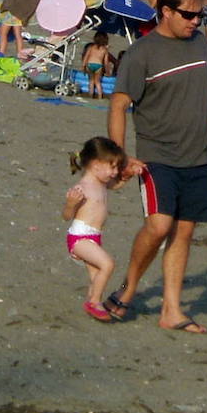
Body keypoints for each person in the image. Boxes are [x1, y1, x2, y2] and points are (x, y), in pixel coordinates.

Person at [106, 0, 207, 333]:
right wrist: (120, 158)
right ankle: (129, 288)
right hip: (157, 155)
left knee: (183, 233)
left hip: (198, 155)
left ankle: (171, 309)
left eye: (199, 16)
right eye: (188, 15)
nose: (195, 22)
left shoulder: (200, 46)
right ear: (165, 12)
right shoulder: (142, 54)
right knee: (159, 225)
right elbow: (119, 105)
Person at [62, 136, 127, 322]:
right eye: (112, 166)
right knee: (108, 264)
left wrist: (130, 174)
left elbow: (117, 184)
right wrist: (70, 203)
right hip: (79, 237)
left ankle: (92, 302)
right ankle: (95, 302)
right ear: (97, 164)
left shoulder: (101, 182)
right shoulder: (82, 187)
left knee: (97, 275)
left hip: (94, 237)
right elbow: (66, 216)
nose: (115, 172)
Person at [80, 31, 117, 97]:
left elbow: (86, 57)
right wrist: (107, 71)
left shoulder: (91, 47)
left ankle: (90, 95)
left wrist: (83, 66)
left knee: (91, 81)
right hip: (99, 66)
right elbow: (106, 62)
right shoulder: (104, 50)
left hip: (90, 64)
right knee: (97, 82)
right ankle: (100, 96)